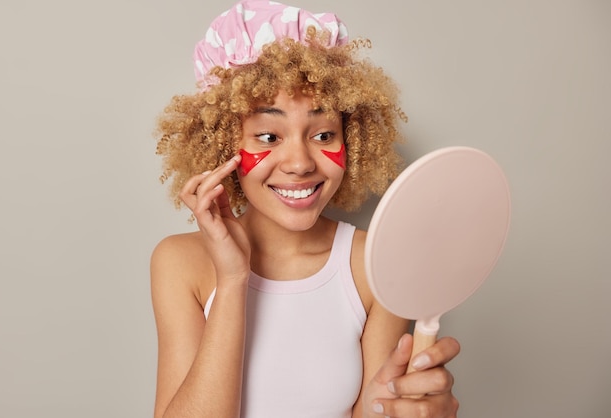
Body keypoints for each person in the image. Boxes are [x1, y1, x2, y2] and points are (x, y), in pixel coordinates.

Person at [151, 1, 461, 417]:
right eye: (268, 136)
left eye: (323, 134)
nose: (299, 163)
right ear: (225, 146)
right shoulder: (179, 263)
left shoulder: (374, 264)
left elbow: (374, 410)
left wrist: (396, 409)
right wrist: (232, 279)